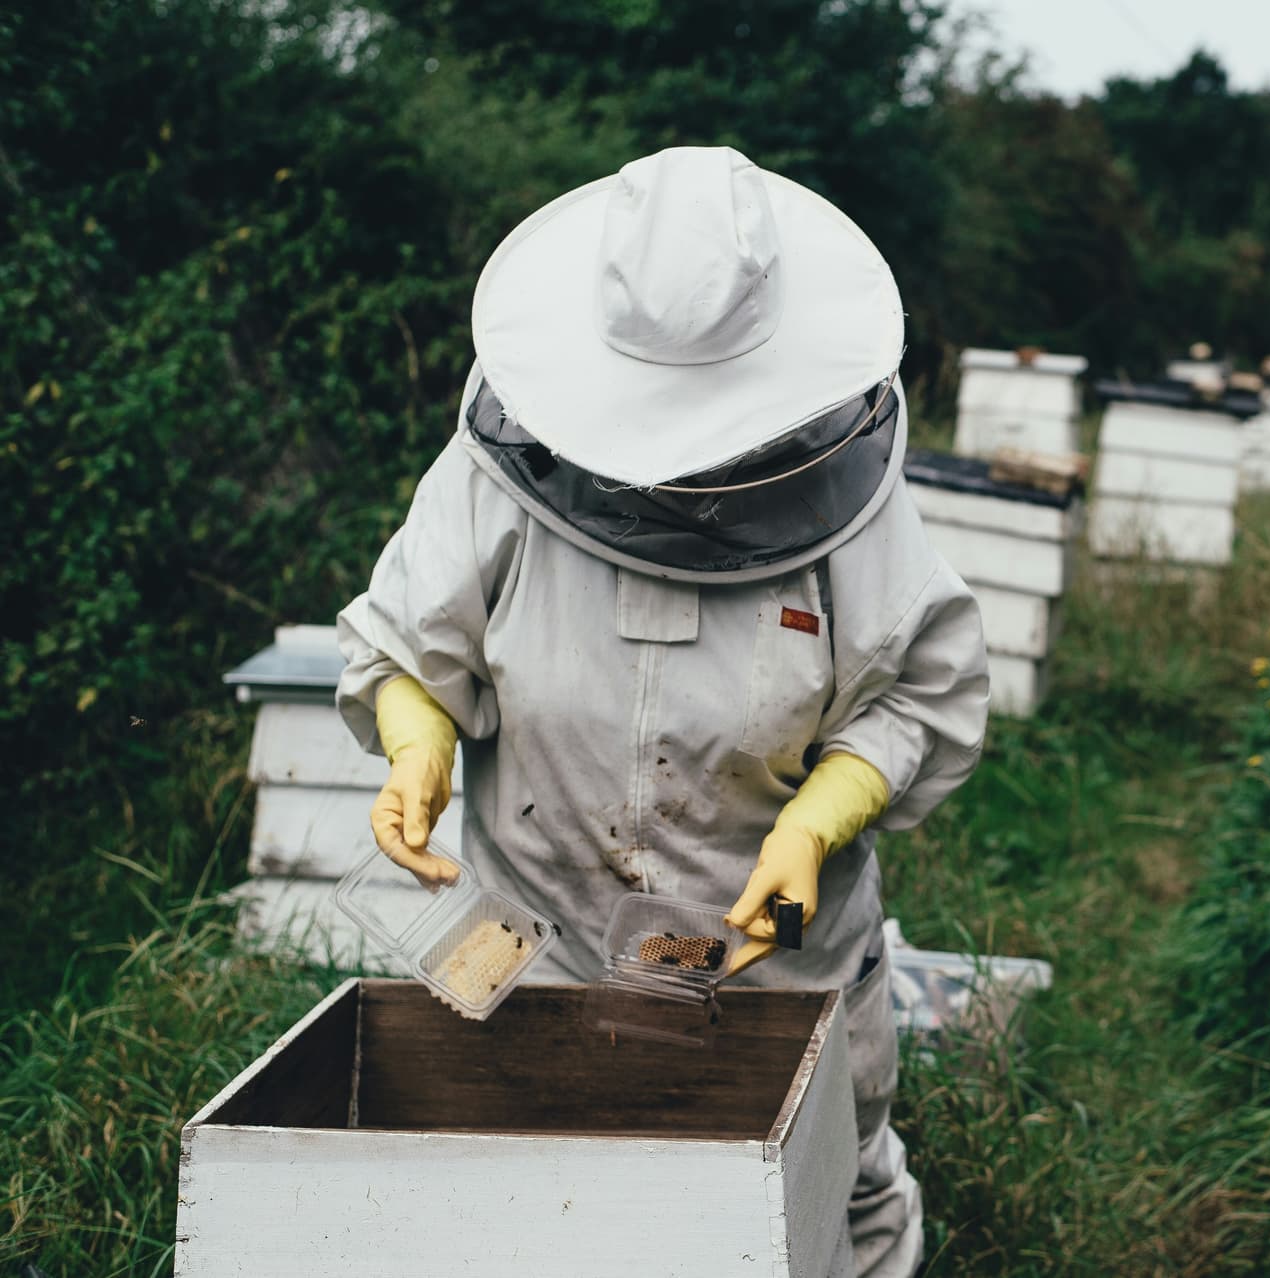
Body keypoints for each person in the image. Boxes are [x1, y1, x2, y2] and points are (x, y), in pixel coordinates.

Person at [335, 145, 989, 1277]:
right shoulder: (497, 473)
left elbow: (915, 698)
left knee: (829, 1196)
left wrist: (813, 825)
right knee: (549, 1212)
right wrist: (416, 741)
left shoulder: (857, 516)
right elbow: (412, 641)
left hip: (769, 959)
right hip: (532, 944)